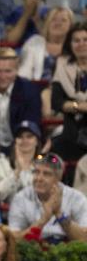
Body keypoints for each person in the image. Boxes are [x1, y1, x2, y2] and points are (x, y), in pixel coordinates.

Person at [8, 152, 87, 243]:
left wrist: (59, 214)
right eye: (36, 172)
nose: (39, 178)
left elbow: (85, 239)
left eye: (46, 174)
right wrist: (43, 219)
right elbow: (14, 239)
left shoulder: (77, 198)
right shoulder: (21, 198)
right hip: (34, 248)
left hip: (67, 248)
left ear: (58, 178)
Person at [48, 22, 87, 162]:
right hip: (71, 135)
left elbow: (65, 103)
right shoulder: (62, 66)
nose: (81, 44)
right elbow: (56, 102)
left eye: (85, 40)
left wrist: (71, 105)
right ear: (70, 44)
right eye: (76, 40)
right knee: (49, 156)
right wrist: (80, 106)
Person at [18, 7, 74, 82]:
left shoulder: (76, 45)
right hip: (36, 86)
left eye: (63, 20)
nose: (58, 23)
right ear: (47, 24)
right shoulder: (35, 42)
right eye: (53, 19)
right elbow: (25, 71)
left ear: (70, 26)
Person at [0, 120, 40, 204]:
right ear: (15, 141)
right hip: (7, 212)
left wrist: (24, 171)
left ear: (37, 141)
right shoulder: (0, 163)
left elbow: (38, 197)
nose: (24, 140)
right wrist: (16, 173)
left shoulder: (43, 167)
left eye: (29, 136)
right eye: (20, 137)